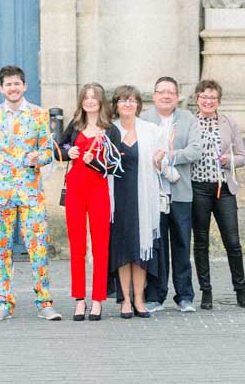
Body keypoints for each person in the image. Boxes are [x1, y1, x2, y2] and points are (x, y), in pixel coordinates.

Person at [0, 64, 61, 322]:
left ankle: (44, 301)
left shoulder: (39, 114)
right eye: (8, 84)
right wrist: (1, 177)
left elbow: (50, 152)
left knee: (38, 248)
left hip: (30, 191)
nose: (13, 88)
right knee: (1, 249)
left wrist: (40, 158)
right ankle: (4, 302)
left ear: (24, 86)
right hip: (0, 191)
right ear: (2, 89)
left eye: (17, 83)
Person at [188, 78, 245, 309]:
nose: (208, 101)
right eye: (204, 97)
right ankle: (206, 291)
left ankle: (241, 290)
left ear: (219, 101)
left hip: (223, 188)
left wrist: (229, 160)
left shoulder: (229, 123)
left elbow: (243, 156)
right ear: (197, 99)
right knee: (201, 241)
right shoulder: (189, 123)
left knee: (232, 241)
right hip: (198, 188)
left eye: (212, 98)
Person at [60, 81, 116, 320]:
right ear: (81, 101)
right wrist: (67, 152)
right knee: (77, 245)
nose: (90, 101)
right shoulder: (74, 126)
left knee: (101, 244)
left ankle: (98, 299)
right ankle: (79, 299)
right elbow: (59, 148)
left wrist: (97, 160)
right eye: (86, 97)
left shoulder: (110, 129)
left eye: (94, 97)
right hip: (75, 188)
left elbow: (116, 165)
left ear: (101, 101)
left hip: (98, 189)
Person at [143, 76, 199, 313]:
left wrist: (169, 157)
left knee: (181, 244)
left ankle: (184, 295)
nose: (166, 96)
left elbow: (196, 150)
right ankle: (155, 295)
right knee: (157, 246)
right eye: (161, 92)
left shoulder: (188, 119)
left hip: (180, 192)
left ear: (177, 97)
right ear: (154, 95)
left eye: (171, 92)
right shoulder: (144, 118)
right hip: (153, 192)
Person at [107, 85, 162, 318]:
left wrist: (161, 160)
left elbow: (163, 164)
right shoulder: (109, 130)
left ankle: (140, 299)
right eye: (123, 100)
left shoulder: (151, 130)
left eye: (132, 100)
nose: (127, 104)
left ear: (138, 104)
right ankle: (125, 300)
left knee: (141, 249)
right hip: (117, 197)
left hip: (143, 196)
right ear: (116, 105)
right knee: (122, 249)